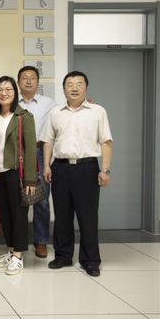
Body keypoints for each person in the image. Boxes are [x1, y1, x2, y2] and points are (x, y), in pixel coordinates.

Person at [41, 71, 113, 277]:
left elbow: (106, 141)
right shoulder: (55, 112)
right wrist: (46, 166)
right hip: (60, 167)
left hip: (87, 168)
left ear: (86, 87)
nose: (74, 88)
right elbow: (48, 140)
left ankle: (90, 261)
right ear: (64, 89)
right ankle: (63, 256)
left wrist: (105, 169)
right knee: (62, 215)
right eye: (70, 84)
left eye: (79, 84)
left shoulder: (97, 111)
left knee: (88, 216)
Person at [0, 76, 37, 275]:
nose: (4, 93)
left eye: (8, 89)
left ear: (15, 92)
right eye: (0, 89)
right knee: (4, 214)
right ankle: (10, 250)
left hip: (15, 173)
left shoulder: (23, 117)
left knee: (19, 215)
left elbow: (31, 150)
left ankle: (18, 256)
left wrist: (30, 179)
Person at [17, 65, 57, 258]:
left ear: (38, 82)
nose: (28, 81)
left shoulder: (49, 103)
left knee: (41, 199)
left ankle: (41, 241)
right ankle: (18, 242)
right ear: (18, 82)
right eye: (24, 78)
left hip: (40, 152)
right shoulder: (11, 102)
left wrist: (87, 104)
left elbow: (66, 114)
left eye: (32, 77)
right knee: (19, 200)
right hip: (17, 153)